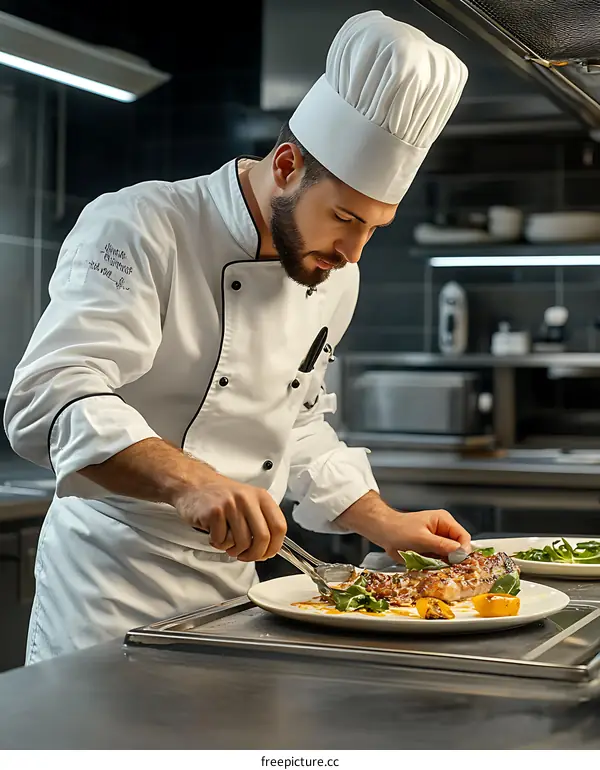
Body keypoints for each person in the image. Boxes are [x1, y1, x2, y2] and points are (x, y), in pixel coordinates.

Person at [4, 10, 470, 664]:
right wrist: (188, 479)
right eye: (343, 218)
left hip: (229, 593)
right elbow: (48, 397)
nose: (353, 251)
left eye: (375, 227)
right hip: (107, 586)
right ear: (285, 165)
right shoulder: (142, 225)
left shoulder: (333, 274)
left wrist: (382, 520)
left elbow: (296, 422)